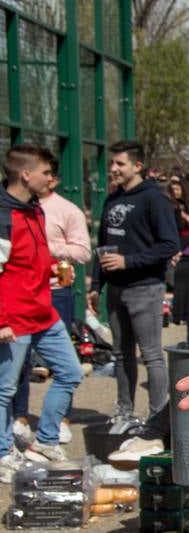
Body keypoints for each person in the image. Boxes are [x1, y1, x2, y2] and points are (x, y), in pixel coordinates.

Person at [0, 147, 85, 479]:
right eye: (47, 173)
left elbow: (33, 256)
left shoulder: (34, 209)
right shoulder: (4, 215)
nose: (51, 179)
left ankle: (46, 439)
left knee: (70, 372)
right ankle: (3, 451)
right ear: (26, 175)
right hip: (15, 319)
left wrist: (52, 267)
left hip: (43, 312)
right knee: (5, 389)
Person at [89, 141, 179, 426]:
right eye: (112, 164)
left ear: (137, 166)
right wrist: (96, 284)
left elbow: (169, 245)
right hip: (114, 289)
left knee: (151, 355)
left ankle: (157, 416)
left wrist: (129, 262)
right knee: (120, 354)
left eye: (119, 164)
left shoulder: (154, 199)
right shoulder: (111, 199)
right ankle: (124, 412)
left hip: (145, 288)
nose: (113, 169)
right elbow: (103, 246)